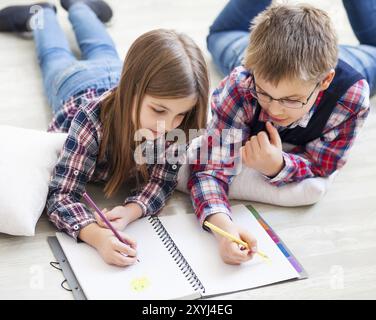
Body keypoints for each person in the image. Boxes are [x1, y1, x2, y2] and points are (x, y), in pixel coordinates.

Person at [0, 0, 209, 267]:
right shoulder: (90, 121)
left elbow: (162, 182)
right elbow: (61, 194)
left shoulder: (177, 122)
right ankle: (41, 13)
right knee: (53, 54)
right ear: (133, 91)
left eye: (180, 114)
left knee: (101, 47)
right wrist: (96, 236)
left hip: (113, 74)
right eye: (159, 110)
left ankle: (80, 7)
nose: (168, 126)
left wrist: (130, 211)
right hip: (74, 84)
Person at [188, 0, 371, 265]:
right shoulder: (242, 84)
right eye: (264, 93)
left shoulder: (350, 98)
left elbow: (323, 165)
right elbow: (209, 166)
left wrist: (278, 166)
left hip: (350, 63)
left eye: (291, 99)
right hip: (243, 51)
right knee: (219, 36)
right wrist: (224, 230)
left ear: (325, 81)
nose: (274, 109)